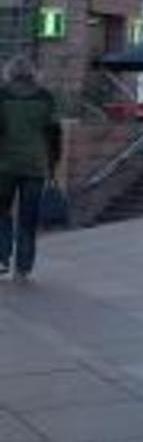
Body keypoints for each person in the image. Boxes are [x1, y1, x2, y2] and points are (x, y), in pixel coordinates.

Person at [0, 56, 60, 283]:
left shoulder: (2, 95)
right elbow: (54, 135)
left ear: (9, 73)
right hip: (35, 165)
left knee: (1, 213)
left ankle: (2, 258)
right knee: (28, 218)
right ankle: (23, 268)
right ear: (33, 73)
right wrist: (52, 165)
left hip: (4, 165)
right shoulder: (46, 97)